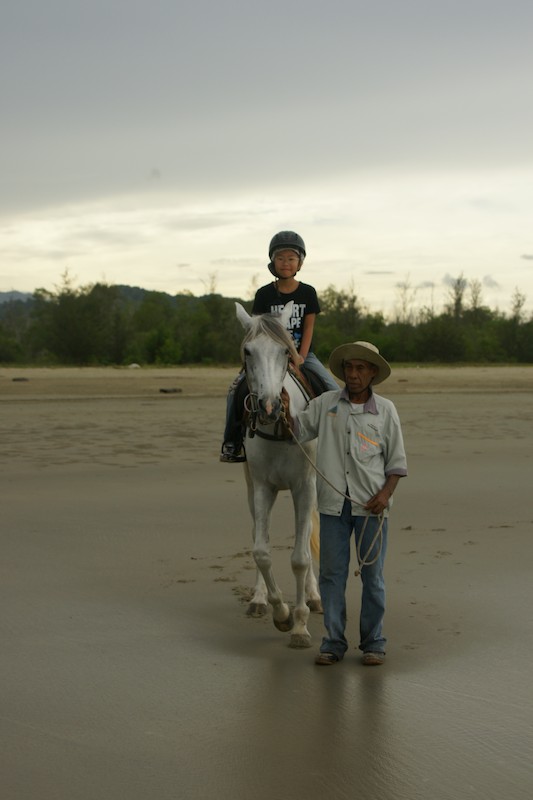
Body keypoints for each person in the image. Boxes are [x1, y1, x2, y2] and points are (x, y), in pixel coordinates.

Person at [284, 340, 407, 666]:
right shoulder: (324, 404)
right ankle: (333, 643)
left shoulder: (386, 410)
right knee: (331, 577)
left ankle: (373, 643)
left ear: (372, 373)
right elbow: (297, 429)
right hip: (332, 507)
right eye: (349, 368)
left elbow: (396, 464)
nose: (353, 374)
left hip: (372, 509)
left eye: (360, 368)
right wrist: (284, 409)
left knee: (373, 579)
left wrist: (385, 495)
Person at [220, 230, 338, 462]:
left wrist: (300, 356)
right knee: (235, 391)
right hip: (267, 357)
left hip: (302, 354)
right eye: (281, 258)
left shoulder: (308, 293)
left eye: (291, 258)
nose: (286, 263)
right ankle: (232, 442)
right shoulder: (264, 294)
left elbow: (308, 328)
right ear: (273, 261)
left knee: (333, 390)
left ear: (299, 263)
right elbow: (255, 330)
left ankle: (337, 438)